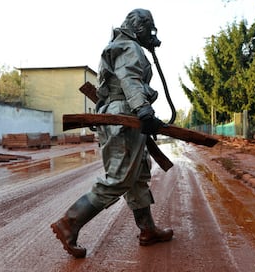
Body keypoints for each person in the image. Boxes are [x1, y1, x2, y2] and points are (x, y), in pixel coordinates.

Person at [51, 8, 173, 258]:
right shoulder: (129, 46)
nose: (151, 34)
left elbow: (112, 84)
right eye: (149, 28)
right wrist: (143, 109)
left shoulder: (122, 44)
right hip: (126, 115)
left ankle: (147, 230)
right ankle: (69, 223)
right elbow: (129, 78)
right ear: (139, 27)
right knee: (119, 178)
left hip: (125, 113)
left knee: (137, 173)